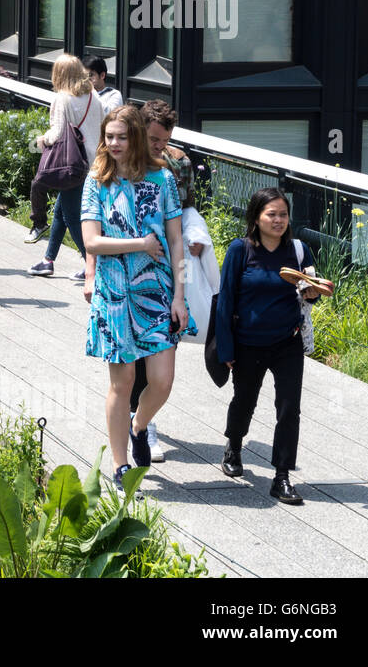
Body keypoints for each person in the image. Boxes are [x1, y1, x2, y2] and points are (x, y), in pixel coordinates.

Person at [80, 104, 191, 485]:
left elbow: (176, 241)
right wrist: (139, 243)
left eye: (121, 137)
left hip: (159, 292)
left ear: (136, 139)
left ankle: (139, 425)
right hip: (114, 294)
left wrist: (180, 295)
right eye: (108, 136)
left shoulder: (162, 179)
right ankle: (119, 464)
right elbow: (91, 242)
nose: (113, 143)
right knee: (122, 381)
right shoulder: (97, 180)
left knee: (162, 380)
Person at [117, 99, 220, 462]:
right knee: (131, 360)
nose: (161, 147)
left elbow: (187, 211)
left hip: (163, 269)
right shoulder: (118, 159)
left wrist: (188, 254)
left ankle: (142, 423)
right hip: (127, 272)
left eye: (165, 141)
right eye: (155, 140)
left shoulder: (177, 165)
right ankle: (135, 425)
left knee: (159, 357)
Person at [215, 188, 321, 505]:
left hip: (287, 340)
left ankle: (282, 477)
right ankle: (234, 444)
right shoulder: (240, 250)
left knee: (289, 410)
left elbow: (308, 289)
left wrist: (314, 291)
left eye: (283, 215)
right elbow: (225, 302)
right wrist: (227, 350)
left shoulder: (299, 251)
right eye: (271, 214)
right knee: (244, 400)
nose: (278, 220)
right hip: (248, 342)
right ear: (257, 216)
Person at [27, 54, 101, 278]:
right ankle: (48, 260)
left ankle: (93, 265)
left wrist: (42, 140)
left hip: (71, 165)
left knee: (71, 216)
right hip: (92, 163)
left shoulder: (62, 98)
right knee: (60, 211)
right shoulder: (93, 96)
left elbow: (57, 133)